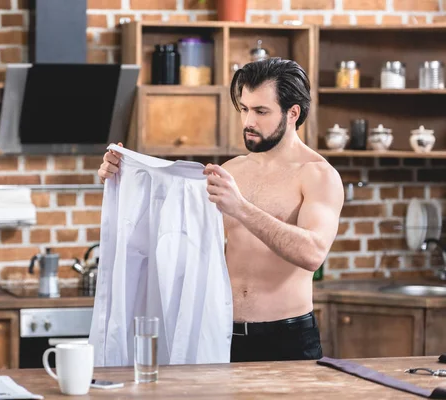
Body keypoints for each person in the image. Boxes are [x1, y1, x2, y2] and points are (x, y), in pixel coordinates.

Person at [97, 57, 344, 363]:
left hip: (287, 339)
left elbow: (313, 253)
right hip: (220, 334)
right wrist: (122, 177)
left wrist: (241, 208)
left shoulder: (318, 174)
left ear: (293, 113)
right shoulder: (232, 170)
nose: (247, 122)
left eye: (261, 111)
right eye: (244, 108)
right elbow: (172, 225)